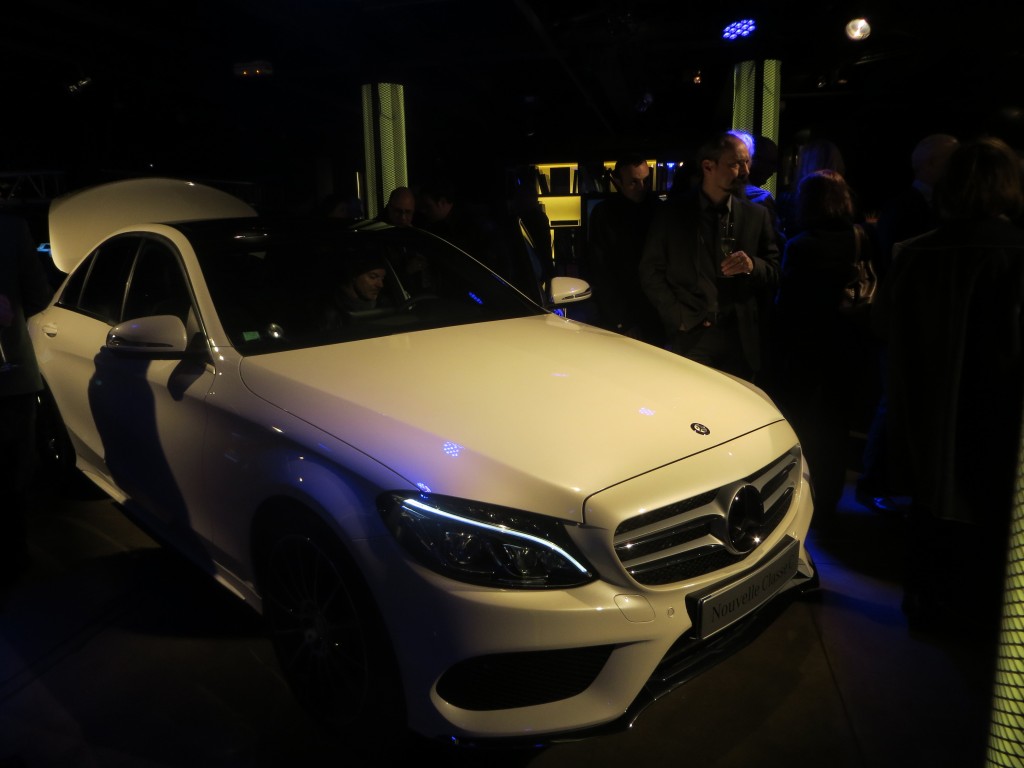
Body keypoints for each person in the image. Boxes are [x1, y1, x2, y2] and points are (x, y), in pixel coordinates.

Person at [873, 136, 1024, 637]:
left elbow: (886, 332)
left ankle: (927, 606)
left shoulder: (914, 254)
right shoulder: (1014, 253)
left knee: (928, 516)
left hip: (922, 412)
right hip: (995, 416)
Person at [856, 132, 959, 514]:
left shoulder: (915, 205)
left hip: (904, 322)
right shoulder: (909, 208)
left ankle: (884, 481)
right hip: (902, 323)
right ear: (931, 165)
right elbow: (893, 269)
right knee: (892, 402)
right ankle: (874, 481)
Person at [769, 170, 875, 528]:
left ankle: (801, 503)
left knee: (801, 427)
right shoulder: (862, 237)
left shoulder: (800, 245)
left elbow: (787, 305)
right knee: (836, 428)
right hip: (847, 346)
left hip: (805, 348)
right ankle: (829, 502)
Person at [640, 132, 780, 381]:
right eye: (735, 164)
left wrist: (751, 265)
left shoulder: (756, 214)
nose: (745, 171)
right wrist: (678, 317)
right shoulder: (672, 214)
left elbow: (774, 268)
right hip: (693, 335)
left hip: (741, 336)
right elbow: (650, 271)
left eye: (747, 162)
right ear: (708, 166)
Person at [0, 213, 53, 587]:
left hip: (12, 379)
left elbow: (37, 296)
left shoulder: (11, 227)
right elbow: (38, 295)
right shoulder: (11, 227)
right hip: (10, 378)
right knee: (14, 475)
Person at [587, 156, 664, 346]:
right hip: (622, 313)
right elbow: (601, 271)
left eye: (645, 180)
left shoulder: (660, 210)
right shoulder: (603, 214)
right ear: (617, 182)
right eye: (633, 182)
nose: (642, 187)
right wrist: (623, 321)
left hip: (657, 312)